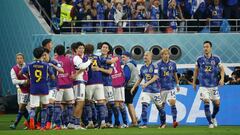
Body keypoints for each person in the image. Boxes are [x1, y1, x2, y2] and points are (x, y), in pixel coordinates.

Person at [192, 41, 224, 128]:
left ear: (211, 48)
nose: (205, 48)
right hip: (203, 86)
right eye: (204, 47)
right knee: (206, 101)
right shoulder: (199, 59)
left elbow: (222, 69)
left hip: (214, 85)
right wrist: (194, 82)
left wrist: (222, 79)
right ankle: (210, 123)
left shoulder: (216, 59)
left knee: (217, 104)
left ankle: (213, 117)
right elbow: (196, 71)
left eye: (207, 47)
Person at [22, 47, 55, 130]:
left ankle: (32, 120)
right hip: (44, 88)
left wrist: (28, 77)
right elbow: (53, 77)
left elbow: (22, 72)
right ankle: (43, 126)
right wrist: (49, 77)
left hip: (34, 89)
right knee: (44, 107)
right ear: (42, 55)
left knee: (33, 107)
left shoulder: (29, 65)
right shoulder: (46, 65)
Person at [131, 51, 163, 128]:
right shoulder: (142, 67)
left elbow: (156, 77)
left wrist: (146, 83)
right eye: (144, 55)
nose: (145, 57)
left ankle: (163, 123)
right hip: (146, 91)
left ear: (150, 57)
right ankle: (144, 124)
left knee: (160, 108)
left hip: (155, 90)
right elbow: (139, 78)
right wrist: (134, 87)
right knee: (144, 105)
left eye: (147, 55)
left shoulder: (155, 66)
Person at [68, 42, 91, 130]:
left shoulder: (80, 57)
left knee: (80, 103)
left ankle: (73, 122)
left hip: (81, 81)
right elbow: (82, 66)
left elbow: (82, 68)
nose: (81, 50)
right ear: (75, 50)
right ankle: (75, 123)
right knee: (80, 102)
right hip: (79, 81)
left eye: (82, 48)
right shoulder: (77, 57)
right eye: (79, 48)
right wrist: (90, 61)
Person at [53, 45, 75, 130]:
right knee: (70, 104)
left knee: (57, 105)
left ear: (56, 52)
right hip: (68, 85)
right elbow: (72, 73)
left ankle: (59, 124)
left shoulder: (54, 61)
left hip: (58, 85)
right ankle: (70, 123)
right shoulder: (69, 60)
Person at [157, 48, 180, 128]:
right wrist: (158, 87)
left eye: (167, 54)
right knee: (161, 106)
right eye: (164, 54)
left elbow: (175, 74)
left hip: (171, 87)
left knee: (172, 102)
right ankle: (163, 123)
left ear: (169, 55)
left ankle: (174, 121)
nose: (166, 55)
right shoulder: (159, 64)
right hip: (162, 88)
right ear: (162, 55)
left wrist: (177, 84)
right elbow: (157, 77)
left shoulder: (173, 64)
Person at [42, 48, 64, 130]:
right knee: (47, 106)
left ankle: (58, 124)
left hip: (53, 87)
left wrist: (53, 66)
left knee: (51, 105)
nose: (44, 57)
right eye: (42, 55)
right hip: (44, 88)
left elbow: (62, 70)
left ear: (48, 54)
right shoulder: (41, 63)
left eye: (45, 55)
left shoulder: (54, 62)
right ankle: (48, 124)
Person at [9, 53, 30, 129]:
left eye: (21, 58)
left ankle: (15, 124)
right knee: (22, 107)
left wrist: (29, 81)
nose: (19, 60)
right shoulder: (13, 69)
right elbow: (14, 81)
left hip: (32, 90)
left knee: (28, 108)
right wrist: (24, 82)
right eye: (18, 58)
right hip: (23, 91)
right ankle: (30, 123)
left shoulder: (28, 66)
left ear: (23, 59)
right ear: (16, 60)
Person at [121, 51, 139, 126]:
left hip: (129, 86)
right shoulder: (133, 64)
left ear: (128, 57)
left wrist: (123, 84)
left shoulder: (127, 65)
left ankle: (134, 121)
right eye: (122, 57)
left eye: (124, 57)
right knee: (129, 103)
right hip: (135, 85)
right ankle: (135, 118)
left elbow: (126, 76)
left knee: (129, 103)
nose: (122, 59)